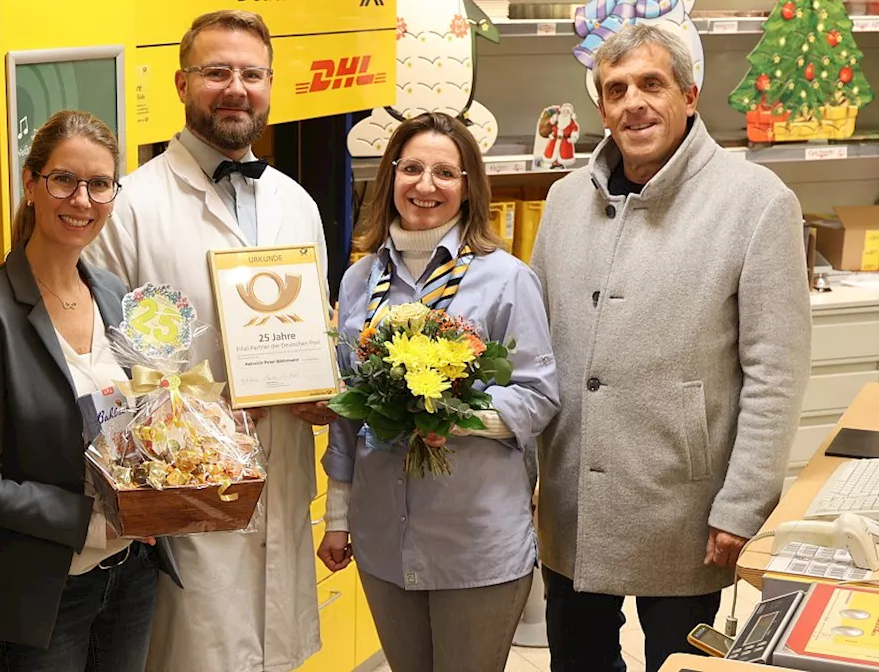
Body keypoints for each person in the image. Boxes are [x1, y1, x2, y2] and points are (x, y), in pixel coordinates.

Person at [530, 24, 811, 672]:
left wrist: (743, 504)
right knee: (578, 661)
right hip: (573, 502)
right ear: (601, 106)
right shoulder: (565, 201)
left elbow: (776, 372)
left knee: (681, 665)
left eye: (651, 84)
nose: (634, 102)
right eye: (617, 89)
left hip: (685, 508)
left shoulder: (757, 202)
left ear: (690, 93)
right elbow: (535, 355)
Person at [83, 10, 335, 672]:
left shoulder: (296, 203)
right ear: (181, 82)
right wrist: (188, 426)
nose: (236, 88)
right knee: (196, 656)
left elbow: (312, 332)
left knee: (274, 654)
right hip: (188, 490)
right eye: (216, 71)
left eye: (252, 74)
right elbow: (103, 364)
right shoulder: (131, 206)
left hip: (280, 473)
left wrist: (318, 389)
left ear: (271, 85)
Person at [0, 110, 181, 672]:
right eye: (64, 180)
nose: (82, 200)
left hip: (132, 574)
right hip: (48, 591)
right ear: (31, 183)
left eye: (100, 184)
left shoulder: (116, 294)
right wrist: (91, 519)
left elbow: (134, 431)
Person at [316, 112, 559, 672]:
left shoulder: (506, 278)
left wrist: (458, 418)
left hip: (475, 539)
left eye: (445, 173)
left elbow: (540, 396)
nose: (426, 186)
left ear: (468, 185)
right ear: (390, 178)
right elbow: (347, 412)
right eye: (412, 168)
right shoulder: (359, 281)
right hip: (382, 537)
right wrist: (337, 516)